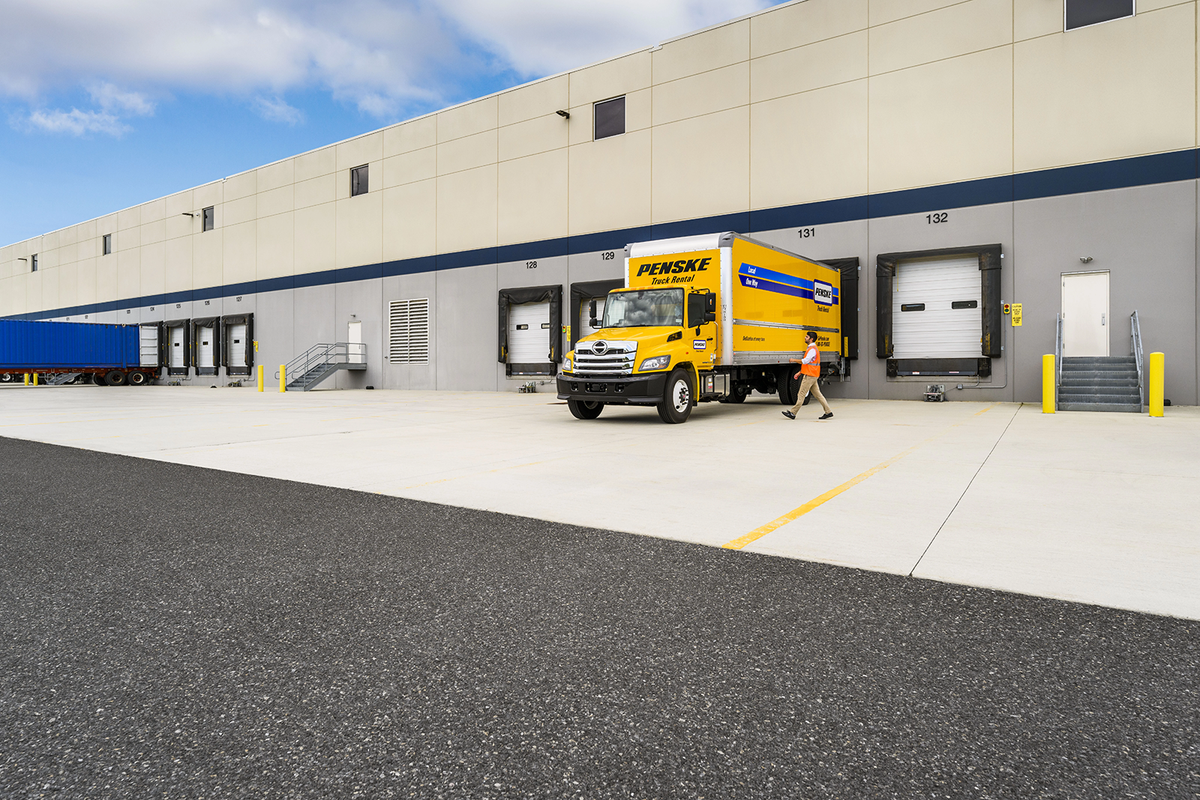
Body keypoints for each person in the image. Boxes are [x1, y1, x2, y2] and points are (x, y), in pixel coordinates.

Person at [783, 331, 833, 420]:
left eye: (807, 337)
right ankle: (828, 411)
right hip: (812, 375)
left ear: (811, 339)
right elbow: (808, 364)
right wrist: (799, 373)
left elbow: (805, 361)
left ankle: (793, 413)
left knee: (801, 394)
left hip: (810, 376)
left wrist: (794, 360)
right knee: (818, 395)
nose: (805, 338)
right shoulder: (812, 349)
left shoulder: (812, 350)